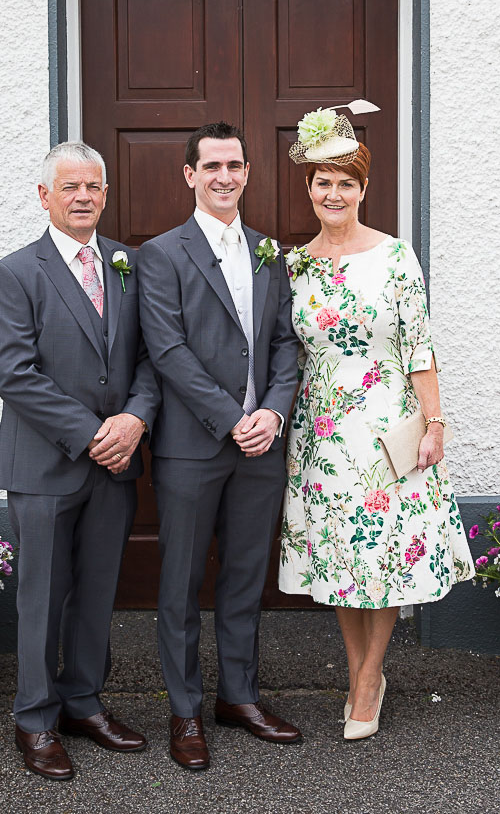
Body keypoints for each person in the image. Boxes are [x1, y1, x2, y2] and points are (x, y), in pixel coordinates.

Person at [278, 108, 474, 740]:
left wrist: (434, 420)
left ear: (363, 189)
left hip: (389, 423)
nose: (333, 194)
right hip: (321, 430)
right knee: (338, 553)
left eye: (345, 183)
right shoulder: (294, 266)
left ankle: (368, 679)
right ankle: (358, 667)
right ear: (308, 188)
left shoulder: (394, 256)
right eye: (322, 182)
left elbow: (418, 345)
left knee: (384, 549)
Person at [0, 141, 159, 780]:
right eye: (69, 187)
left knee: (95, 593)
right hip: (46, 466)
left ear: (105, 195)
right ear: (44, 197)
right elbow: (14, 373)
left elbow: (152, 356)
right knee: (43, 595)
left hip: (117, 466)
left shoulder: (130, 265)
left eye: (93, 187)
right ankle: (35, 719)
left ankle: (84, 701)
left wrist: (136, 418)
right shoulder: (14, 272)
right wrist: (92, 434)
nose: (83, 196)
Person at [137, 121, 302, 771]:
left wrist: (272, 412)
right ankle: (184, 712)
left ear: (247, 171)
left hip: (261, 447)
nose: (225, 177)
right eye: (212, 167)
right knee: (179, 585)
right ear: (189, 175)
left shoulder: (270, 252)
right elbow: (167, 350)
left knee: (243, 578)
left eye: (235, 165)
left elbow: (286, 345)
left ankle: (240, 696)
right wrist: (229, 415)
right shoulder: (160, 255)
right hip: (191, 447)